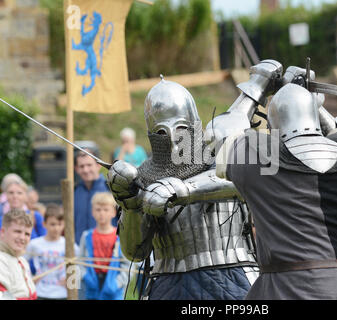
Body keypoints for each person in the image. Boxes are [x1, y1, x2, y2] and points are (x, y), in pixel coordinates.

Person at [215, 65, 337, 299]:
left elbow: (219, 137)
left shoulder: (259, 166)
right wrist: (310, 99)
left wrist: (256, 87)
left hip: (291, 290)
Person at [107, 76, 262, 300]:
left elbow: (244, 179)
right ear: (152, 134)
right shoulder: (144, 176)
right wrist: (129, 202)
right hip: (168, 281)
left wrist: (182, 190)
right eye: (161, 132)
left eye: (180, 127)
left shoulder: (221, 154)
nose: (171, 136)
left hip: (230, 271)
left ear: (193, 124)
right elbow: (135, 252)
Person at [78, 192, 130, 300]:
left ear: (113, 212)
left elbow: (127, 264)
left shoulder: (120, 237)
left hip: (113, 286)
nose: (102, 213)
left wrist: (117, 283)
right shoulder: (86, 236)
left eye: (106, 210)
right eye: (98, 209)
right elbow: (80, 261)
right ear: (92, 212)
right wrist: (85, 277)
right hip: (92, 284)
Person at [26, 204, 78, 300]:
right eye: (53, 224)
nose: (56, 228)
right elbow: (22, 261)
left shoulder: (70, 245)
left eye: (60, 224)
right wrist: (30, 278)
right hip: (40, 293)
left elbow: (80, 264)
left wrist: (72, 280)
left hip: (63, 294)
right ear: (44, 224)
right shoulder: (35, 244)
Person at [74, 149, 110, 245]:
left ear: (98, 165)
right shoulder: (73, 191)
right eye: (82, 166)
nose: (85, 170)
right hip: (79, 250)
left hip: (107, 249)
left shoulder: (111, 190)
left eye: (89, 165)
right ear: (76, 169)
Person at [0, 209, 37, 300]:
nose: (22, 238)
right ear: (3, 232)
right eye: (17, 231)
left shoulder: (22, 261)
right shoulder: (1, 260)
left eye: (27, 234)